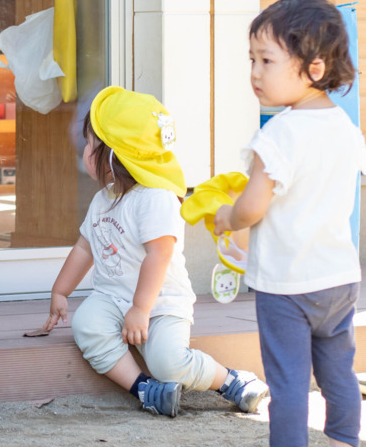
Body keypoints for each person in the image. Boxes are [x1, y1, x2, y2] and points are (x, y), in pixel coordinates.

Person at [214, 0, 366, 447]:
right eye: (251, 60)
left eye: (267, 61)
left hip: (288, 284)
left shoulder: (279, 135)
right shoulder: (346, 129)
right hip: (339, 278)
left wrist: (226, 217)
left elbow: (252, 208)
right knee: (338, 372)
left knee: (288, 380)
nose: (254, 73)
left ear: (314, 67)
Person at [41, 86, 269, 419]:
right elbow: (83, 247)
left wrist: (140, 308)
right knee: (86, 324)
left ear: (115, 155)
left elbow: (158, 256)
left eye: (90, 144)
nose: (84, 149)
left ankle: (229, 380)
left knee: (169, 362)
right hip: (113, 299)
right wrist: (60, 290)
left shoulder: (155, 198)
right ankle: (145, 388)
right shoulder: (102, 199)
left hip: (160, 304)